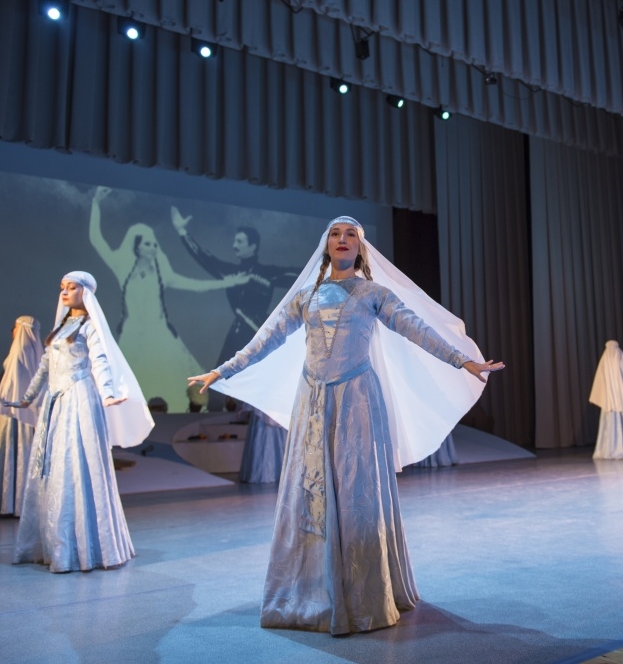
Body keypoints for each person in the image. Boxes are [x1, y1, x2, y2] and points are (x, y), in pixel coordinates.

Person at [188, 216, 504, 635]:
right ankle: (311, 591)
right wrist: (222, 371)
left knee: (356, 491)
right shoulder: (306, 296)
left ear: (360, 247)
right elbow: (266, 338)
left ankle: (362, 595)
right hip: (313, 402)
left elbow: (416, 329)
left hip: (357, 401)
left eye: (350, 234)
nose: (342, 239)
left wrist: (461, 360)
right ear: (326, 245)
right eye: (335, 234)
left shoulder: (374, 294)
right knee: (310, 493)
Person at [12, 271, 154, 573]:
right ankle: (55, 543)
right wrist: (27, 398)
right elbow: (45, 367)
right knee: (54, 467)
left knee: (76, 464)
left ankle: (84, 546)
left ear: (85, 292)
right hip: (56, 403)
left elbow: (100, 361)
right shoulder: (60, 329)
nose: (64, 292)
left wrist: (107, 393)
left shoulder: (89, 327)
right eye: (62, 287)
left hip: (79, 400)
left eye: (72, 287)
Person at [90, 186, 247, 412]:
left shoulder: (163, 275)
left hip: (161, 337)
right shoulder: (122, 268)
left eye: (154, 244)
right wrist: (96, 203)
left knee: (176, 390)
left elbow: (197, 285)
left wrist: (230, 282)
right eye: (147, 244)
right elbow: (97, 240)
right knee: (130, 390)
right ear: (137, 247)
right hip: (132, 337)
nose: (152, 248)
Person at [170, 206, 300, 368]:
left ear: (253, 246)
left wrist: (328, 260)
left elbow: (299, 274)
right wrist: (182, 231)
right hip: (238, 335)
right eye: (234, 241)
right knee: (222, 377)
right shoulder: (230, 273)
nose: (234, 245)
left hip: (261, 334)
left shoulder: (269, 273)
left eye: (239, 242)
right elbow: (205, 258)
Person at [0, 316, 44, 516]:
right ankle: (26, 504)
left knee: (12, 452)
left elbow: (9, 386)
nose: (12, 331)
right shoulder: (38, 354)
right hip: (30, 415)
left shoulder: (18, 352)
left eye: (15, 327)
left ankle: (11, 503)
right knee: (27, 454)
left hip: (14, 415)